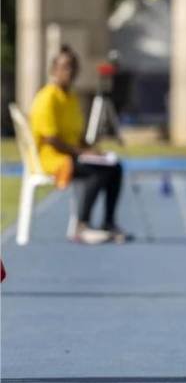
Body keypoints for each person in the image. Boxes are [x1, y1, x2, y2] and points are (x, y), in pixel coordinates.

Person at [29, 45, 129, 244]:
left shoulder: (71, 98)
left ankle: (108, 222)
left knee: (114, 166)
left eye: (73, 67)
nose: (70, 71)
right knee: (96, 171)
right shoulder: (47, 98)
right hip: (53, 159)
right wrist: (81, 153)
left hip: (72, 154)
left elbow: (77, 135)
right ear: (54, 70)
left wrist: (92, 151)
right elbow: (52, 139)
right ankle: (81, 225)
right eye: (65, 67)